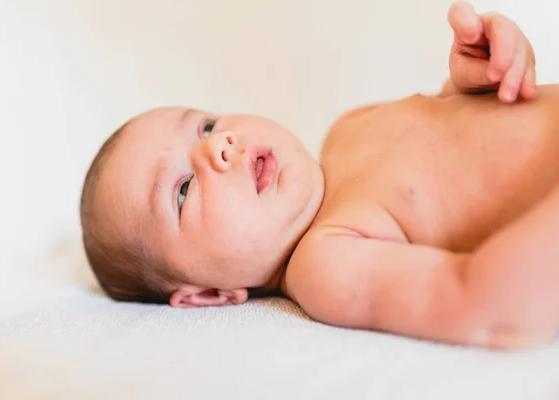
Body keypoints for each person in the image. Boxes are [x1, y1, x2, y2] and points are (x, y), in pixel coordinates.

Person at [80, 1, 559, 349]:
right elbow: (476, 301)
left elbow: (449, 134)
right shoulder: (324, 263)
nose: (216, 146)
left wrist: (480, 74)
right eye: (183, 191)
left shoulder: (346, 128)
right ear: (209, 295)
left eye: (206, 125)